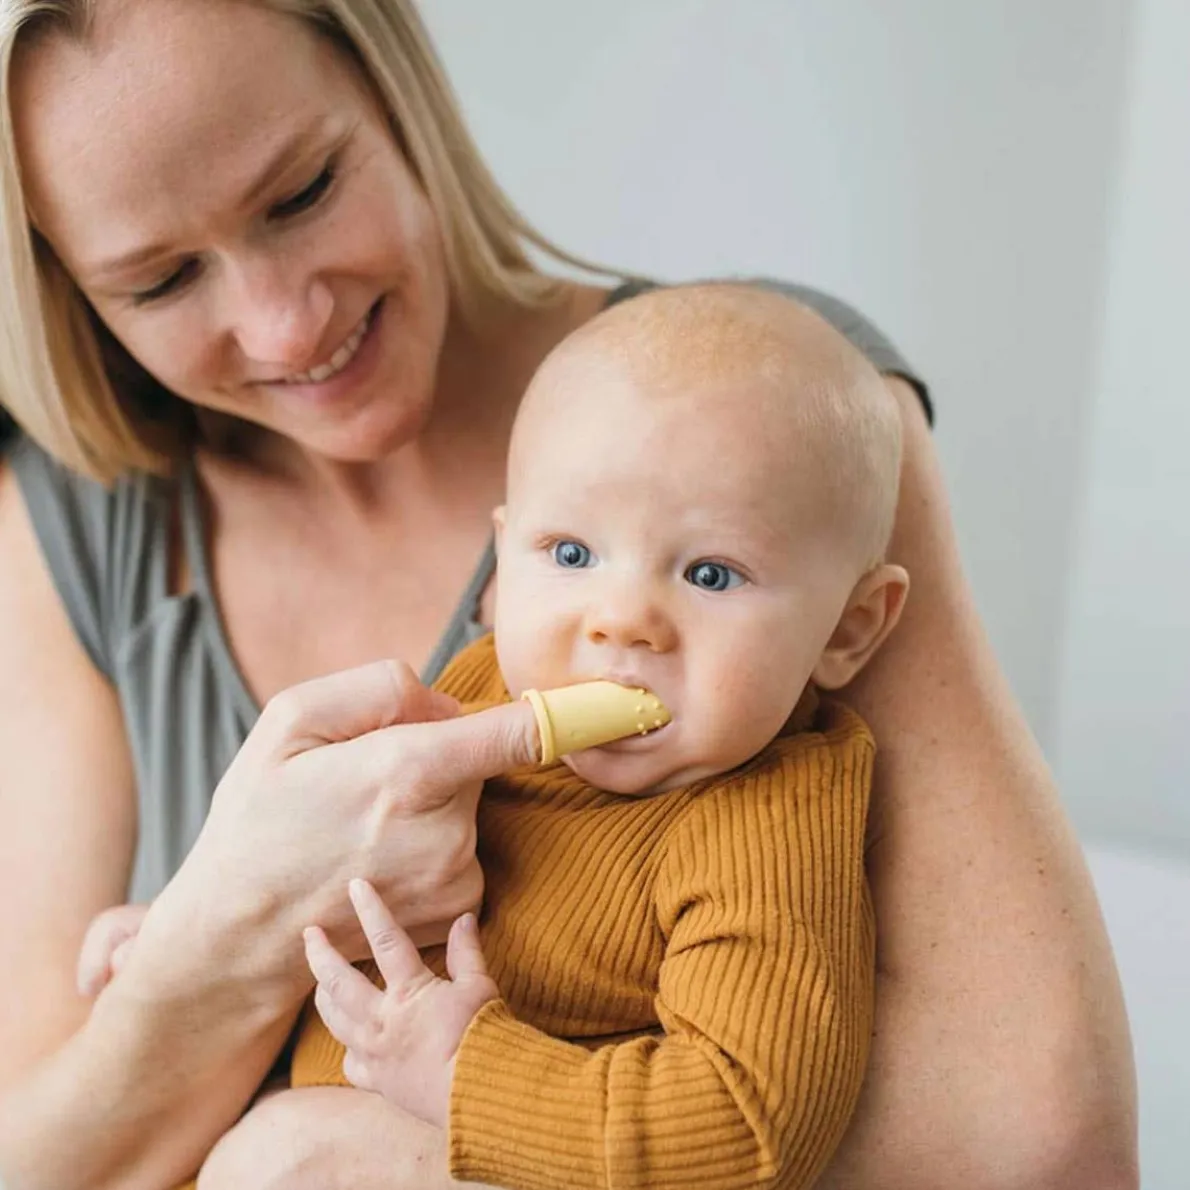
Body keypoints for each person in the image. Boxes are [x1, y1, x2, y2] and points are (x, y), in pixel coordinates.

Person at [0, 2, 1136, 1189]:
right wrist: (195, 949)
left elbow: (1043, 1141)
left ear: (399, 97)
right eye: (163, 279)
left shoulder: (773, 422)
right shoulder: (81, 517)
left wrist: (350, 1146)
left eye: (302, 193)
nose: (287, 321)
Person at [84, 285, 911, 1188]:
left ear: (848, 630)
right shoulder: (478, 696)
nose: (620, 621)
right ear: (501, 563)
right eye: (570, 555)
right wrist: (190, 928)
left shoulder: (766, 825)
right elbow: (325, 868)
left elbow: (750, 1128)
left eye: (712, 573)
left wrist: (463, 1070)